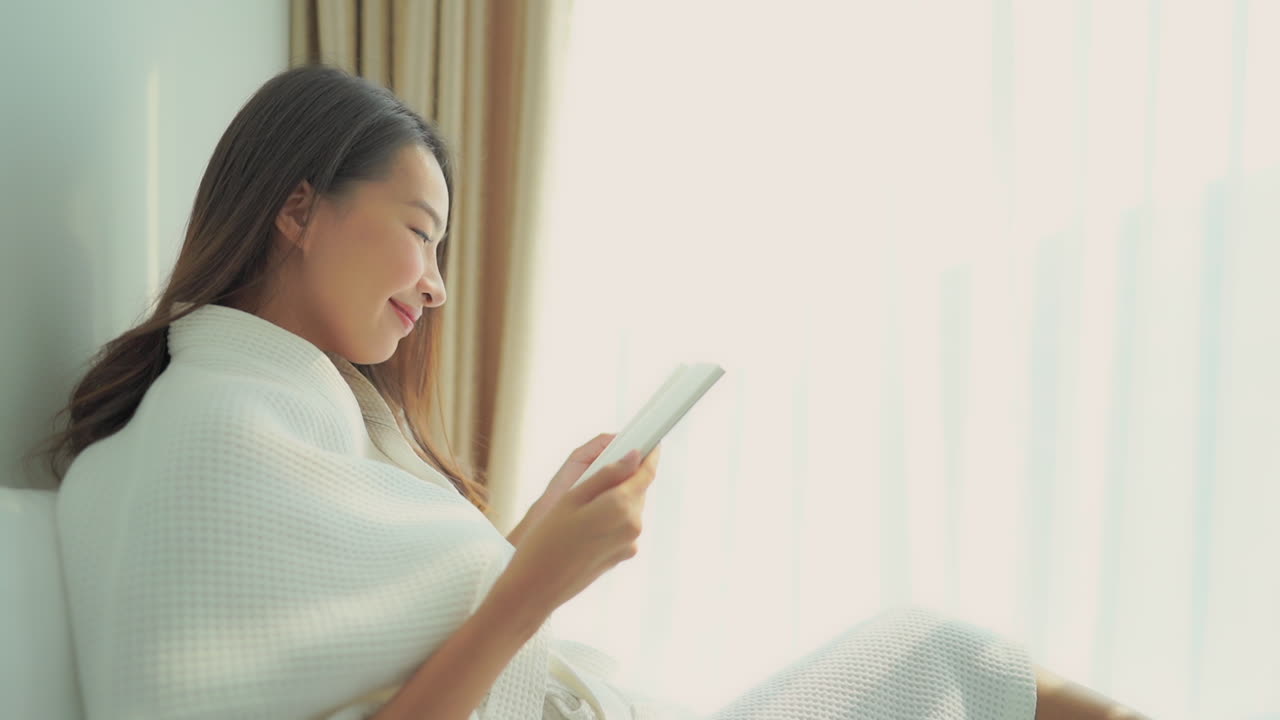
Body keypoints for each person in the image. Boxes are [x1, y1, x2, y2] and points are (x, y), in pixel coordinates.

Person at [42, 64, 1149, 720]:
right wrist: (534, 583)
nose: (433, 288)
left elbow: (382, 660)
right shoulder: (215, 435)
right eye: (421, 237)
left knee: (936, 657)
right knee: (933, 654)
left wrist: (532, 541)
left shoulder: (292, 420)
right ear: (296, 211)